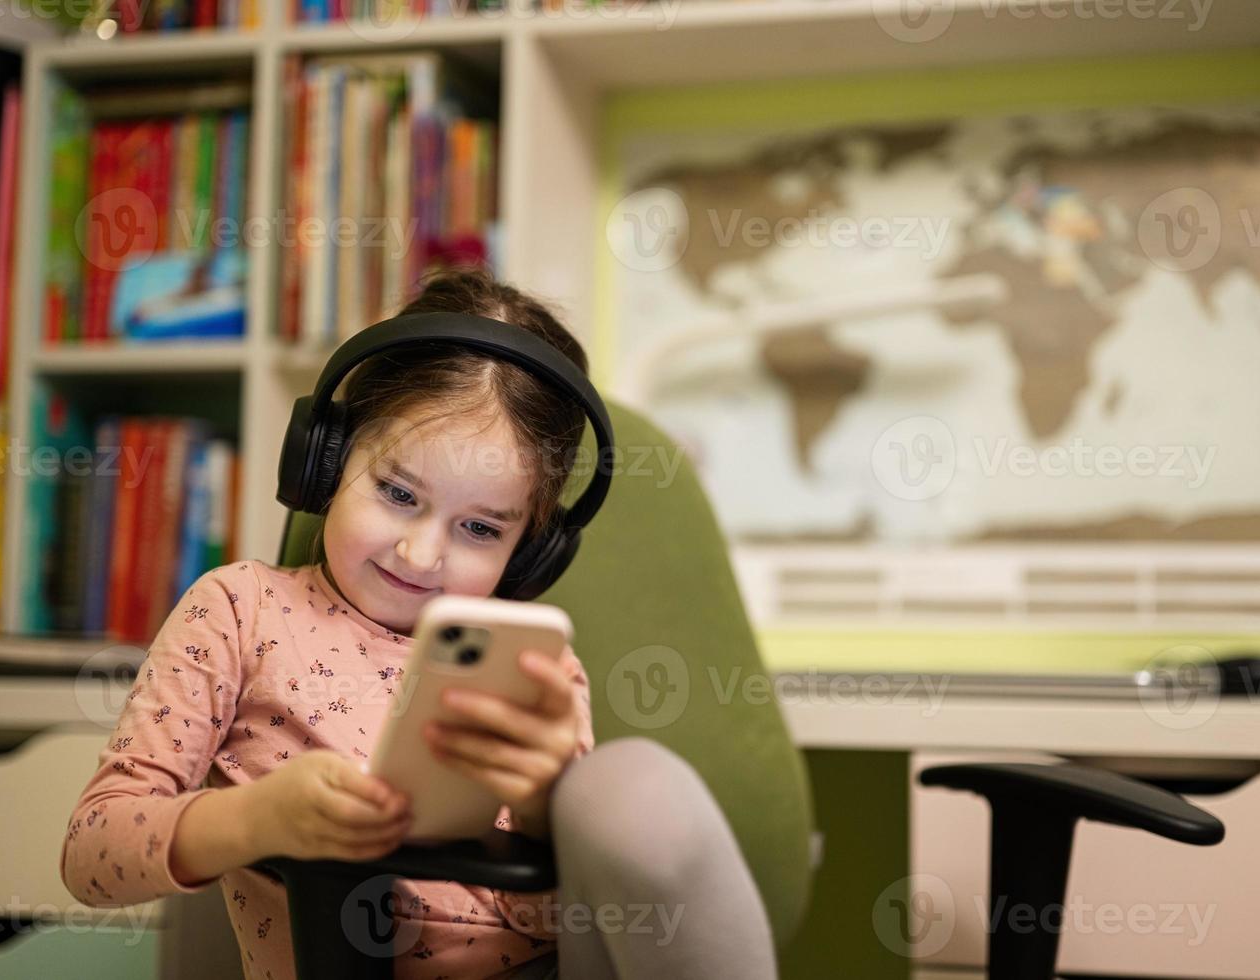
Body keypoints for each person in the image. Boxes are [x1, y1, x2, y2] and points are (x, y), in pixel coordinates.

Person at [59, 266, 778, 980]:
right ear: (328, 460)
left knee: (631, 783)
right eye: (398, 491)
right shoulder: (240, 611)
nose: (422, 552)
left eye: (479, 529)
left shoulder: (533, 667)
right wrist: (255, 820)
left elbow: (557, 925)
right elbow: (93, 858)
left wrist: (537, 811)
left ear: (531, 549)